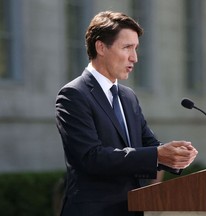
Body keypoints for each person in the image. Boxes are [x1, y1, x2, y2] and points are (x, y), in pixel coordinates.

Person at [55, 11, 198, 216]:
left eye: (136, 48)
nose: (135, 57)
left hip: (132, 209)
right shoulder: (73, 95)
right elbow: (91, 157)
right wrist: (157, 154)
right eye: (127, 47)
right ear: (101, 47)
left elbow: (149, 145)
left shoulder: (128, 96)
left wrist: (175, 155)